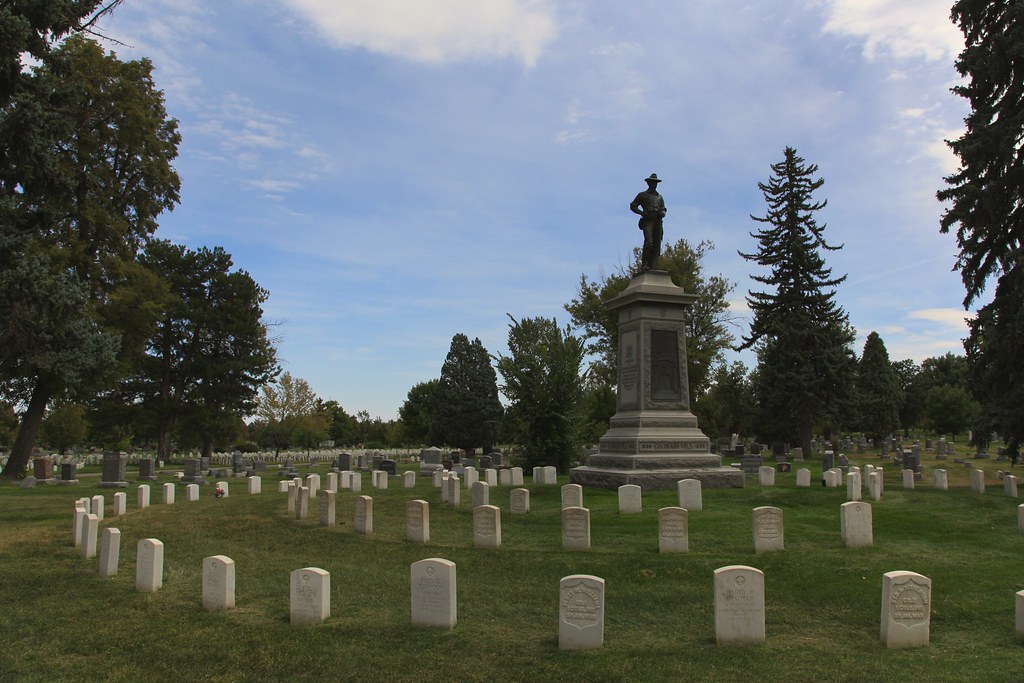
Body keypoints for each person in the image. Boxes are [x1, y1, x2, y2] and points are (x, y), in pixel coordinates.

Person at [629, 173, 667, 271]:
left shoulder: (659, 197)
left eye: (655, 183)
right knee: (649, 242)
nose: (654, 184)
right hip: (648, 220)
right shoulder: (642, 195)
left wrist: (662, 213)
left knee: (657, 243)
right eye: (652, 182)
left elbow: (663, 208)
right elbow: (633, 206)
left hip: (658, 220)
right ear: (648, 183)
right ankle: (645, 264)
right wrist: (642, 213)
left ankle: (654, 265)